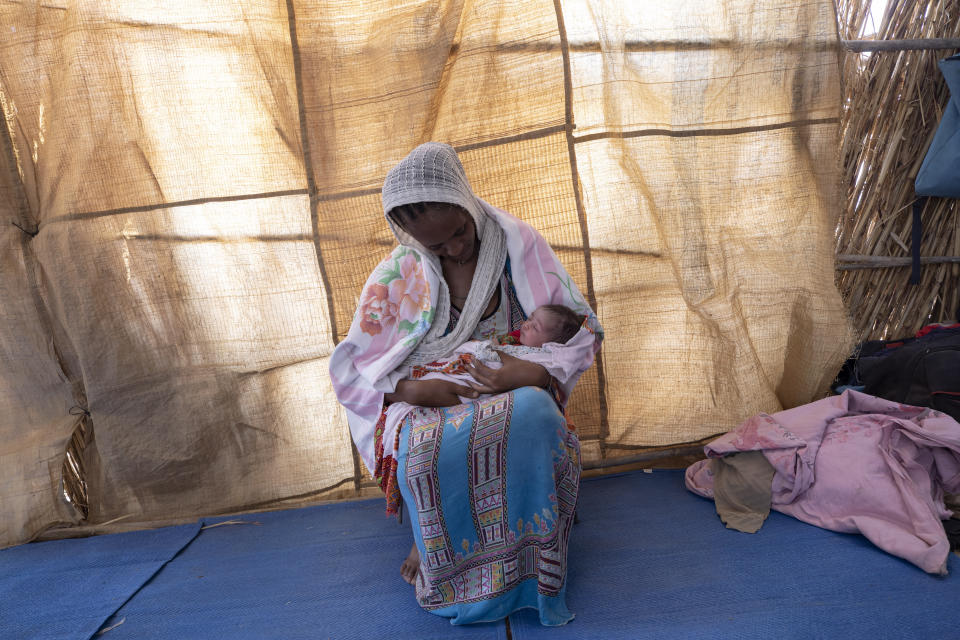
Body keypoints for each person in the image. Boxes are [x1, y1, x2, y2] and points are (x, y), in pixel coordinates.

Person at [329, 142, 603, 626]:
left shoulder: (520, 248)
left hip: (510, 390)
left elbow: (580, 329)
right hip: (429, 396)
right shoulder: (399, 274)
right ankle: (441, 556)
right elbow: (352, 369)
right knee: (422, 449)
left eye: (459, 231)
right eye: (437, 245)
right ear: (410, 236)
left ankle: (531, 570)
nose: (456, 249)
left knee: (534, 413)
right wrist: (410, 392)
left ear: (467, 200)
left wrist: (535, 373)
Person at [405, 303, 585, 404]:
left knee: (435, 387)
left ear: (549, 344)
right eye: (530, 318)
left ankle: (412, 386)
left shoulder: (540, 357)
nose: (526, 324)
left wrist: (481, 349)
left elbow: (563, 361)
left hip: (478, 386)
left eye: (535, 327)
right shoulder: (513, 341)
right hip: (470, 366)